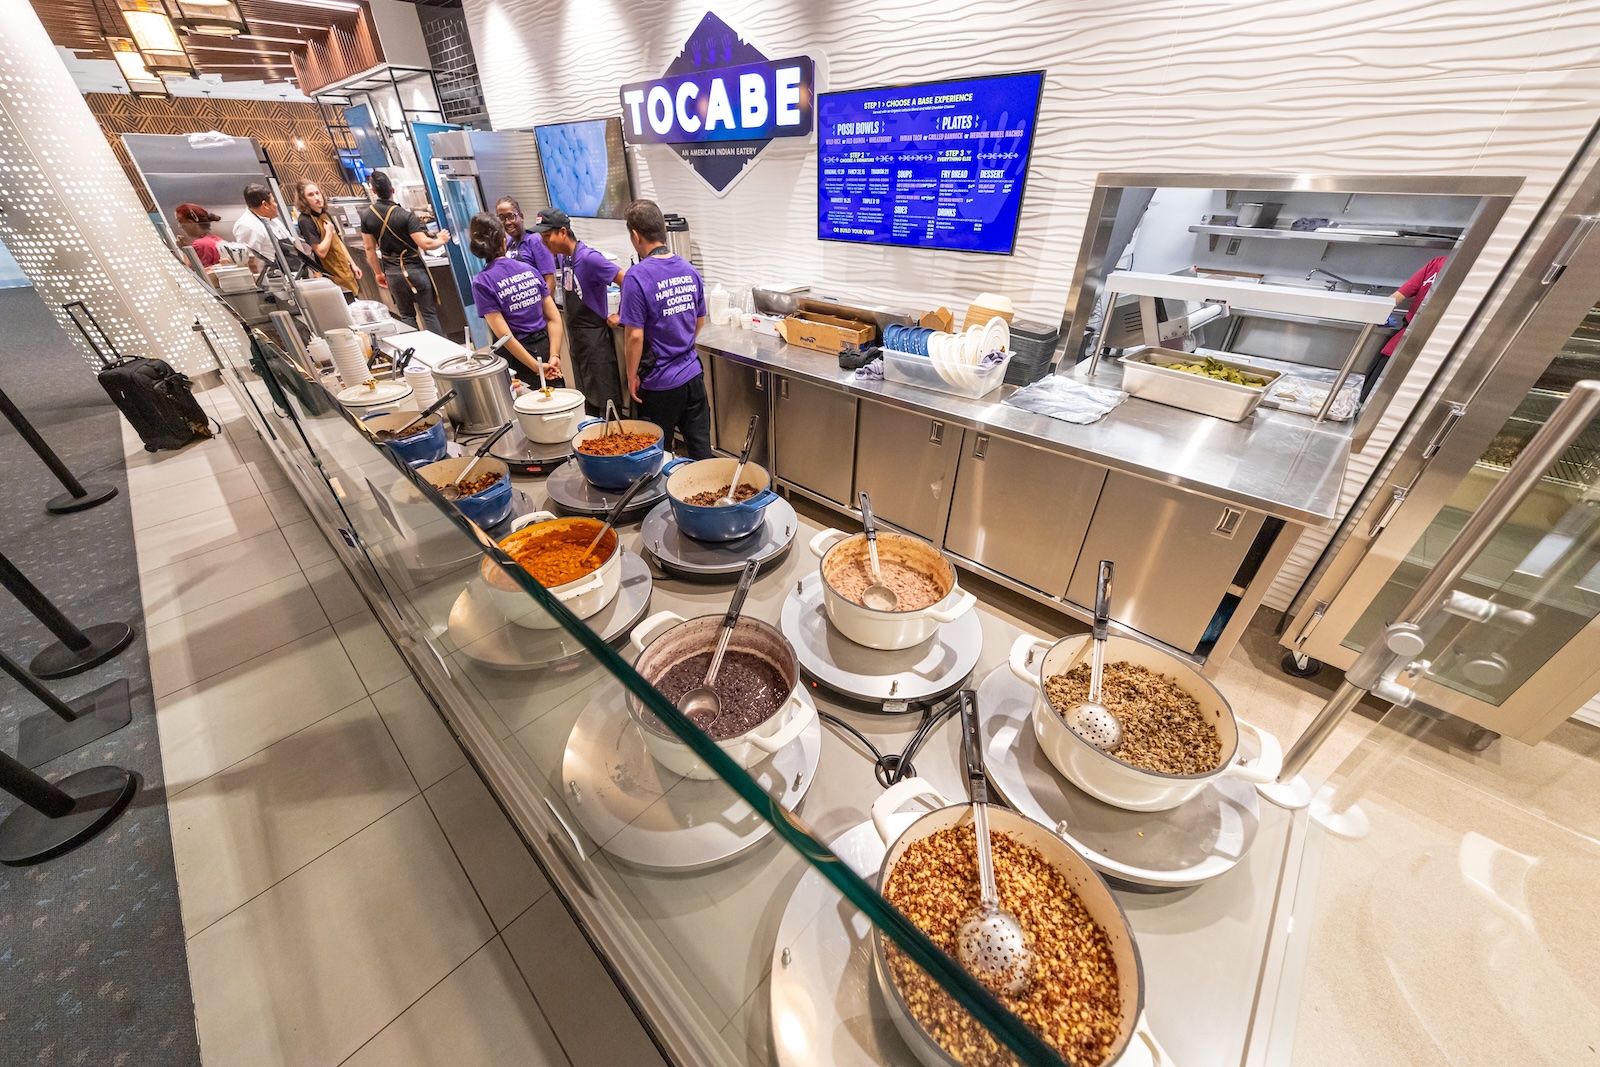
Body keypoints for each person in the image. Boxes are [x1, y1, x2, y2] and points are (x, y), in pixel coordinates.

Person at [617, 198, 711, 460]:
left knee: (654, 455)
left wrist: (632, 375)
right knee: (701, 452)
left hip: (660, 385)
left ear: (635, 236)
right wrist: (680, 342)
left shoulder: (637, 276)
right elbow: (699, 320)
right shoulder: (689, 270)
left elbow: (635, 334)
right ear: (663, 231)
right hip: (693, 376)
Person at [534, 207, 625, 417]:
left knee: (606, 402)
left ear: (563, 232)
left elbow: (625, 279)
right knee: (587, 400)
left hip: (596, 341)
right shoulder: (566, 258)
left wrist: (621, 314)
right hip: (578, 340)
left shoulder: (589, 258)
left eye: (548, 236)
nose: (544, 242)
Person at [467, 212, 565, 390]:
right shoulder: (528, 269)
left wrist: (536, 367)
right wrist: (554, 355)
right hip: (545, 346)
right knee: (558, 402)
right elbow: (554, 317)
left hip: (518, 358)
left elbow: (505, 336)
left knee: (528, 408)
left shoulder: (482, 282)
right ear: (504, 242)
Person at [359, 170, 451, 334]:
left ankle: (414, 354)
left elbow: (369, 248)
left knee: (407, 316)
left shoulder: (367, 216)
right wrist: (441, 239)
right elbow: (425, 244)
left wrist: (378, 273)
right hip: (415, 270)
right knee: (428, 313)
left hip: (393, 273)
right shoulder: (405, 216)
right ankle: (440, 352)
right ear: (393, 190)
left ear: (373, 191)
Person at [1365, 254, 1449, 400]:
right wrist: (1376, 313)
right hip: (1409, 340)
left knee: (1383, 396)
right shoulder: (1437, 263)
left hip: (1430, 347)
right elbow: (1399, 295)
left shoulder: (1444, 264)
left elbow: (1397, 296)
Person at [294, 180, 362, 297]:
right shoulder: (305, 220)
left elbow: (338, 242)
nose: (317, 197)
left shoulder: (325, 215)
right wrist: (329, 232)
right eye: (311, 195)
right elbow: (321, 252)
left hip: (344, 268)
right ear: (303, 200)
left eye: (317, 193)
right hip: (331, 274)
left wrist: (353, 264)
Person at [495, 197, 557, 295]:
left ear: (521, 216)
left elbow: (550, 280)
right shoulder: (507, 243)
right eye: (502, 218)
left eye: (511, 216)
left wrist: (543, 308)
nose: (507, 222)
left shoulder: (535, 240)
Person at [232, 183, 295, 272]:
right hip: (276, 277)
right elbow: (250, 262)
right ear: (265, 204)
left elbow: (293, 243)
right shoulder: (246, 225)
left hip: (295, 271)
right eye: (273, 201)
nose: (276, 205)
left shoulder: (272, 218)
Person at [175, 203, 223, 268]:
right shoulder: (219, 240)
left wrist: (185, 251)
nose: (180, 227)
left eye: (181, 222)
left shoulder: (200, 245)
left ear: (190, 223)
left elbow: (195, 273)